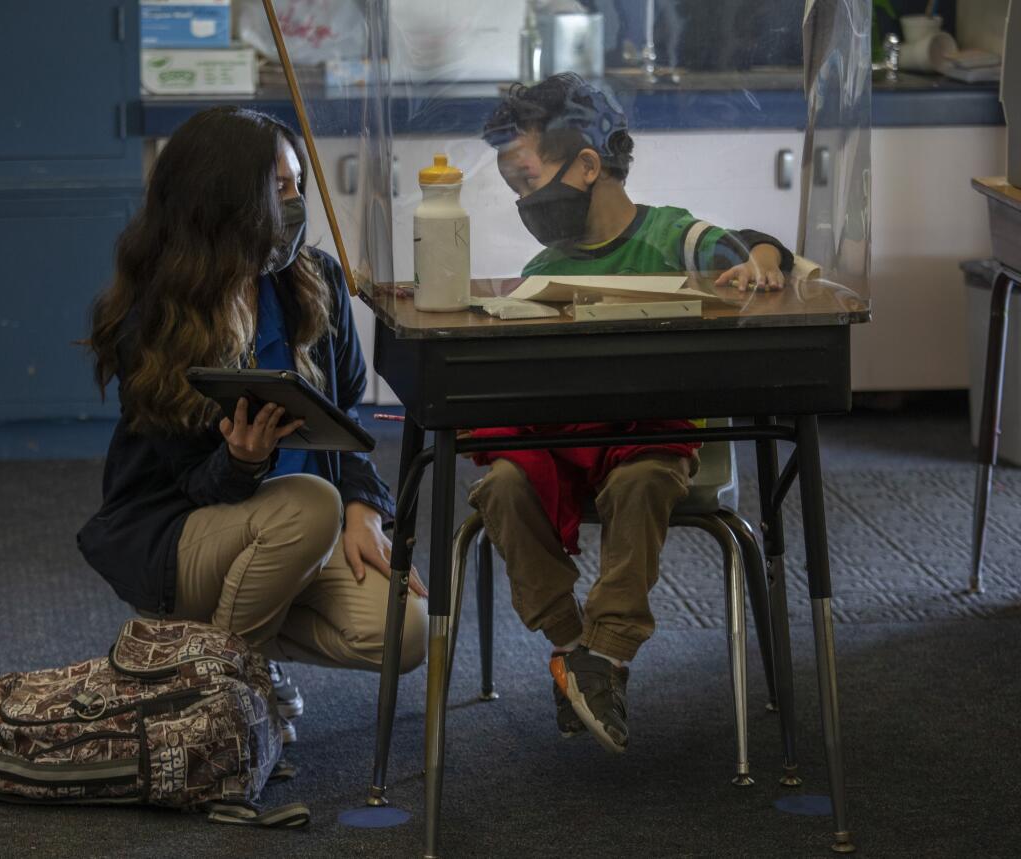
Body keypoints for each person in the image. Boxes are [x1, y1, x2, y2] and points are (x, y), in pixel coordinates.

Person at [77, 107, 428, 741]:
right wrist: (241, 462)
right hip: (186, 530)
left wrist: (365, 505)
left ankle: (198, 655)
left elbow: (345, 412)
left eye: (298, 185)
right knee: (306, 504)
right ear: (225, 202)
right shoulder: (155, 314)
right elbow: (183, 482)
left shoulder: (312, 280)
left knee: (403, 634)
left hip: (300, 529)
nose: (297, 203)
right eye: (281, 189)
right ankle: (229, 697)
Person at [470, 73, 794, 755]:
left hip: (650, 437)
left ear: (588, 164)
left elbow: (752, 247)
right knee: (497, 483)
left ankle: (606, 652)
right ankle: (573, 647)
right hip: (563, 437)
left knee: (643, 482)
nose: (525, 201)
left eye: (528, 180)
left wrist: (756, 267)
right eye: (514, 189)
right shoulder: (542, 266)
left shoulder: (675, 235)